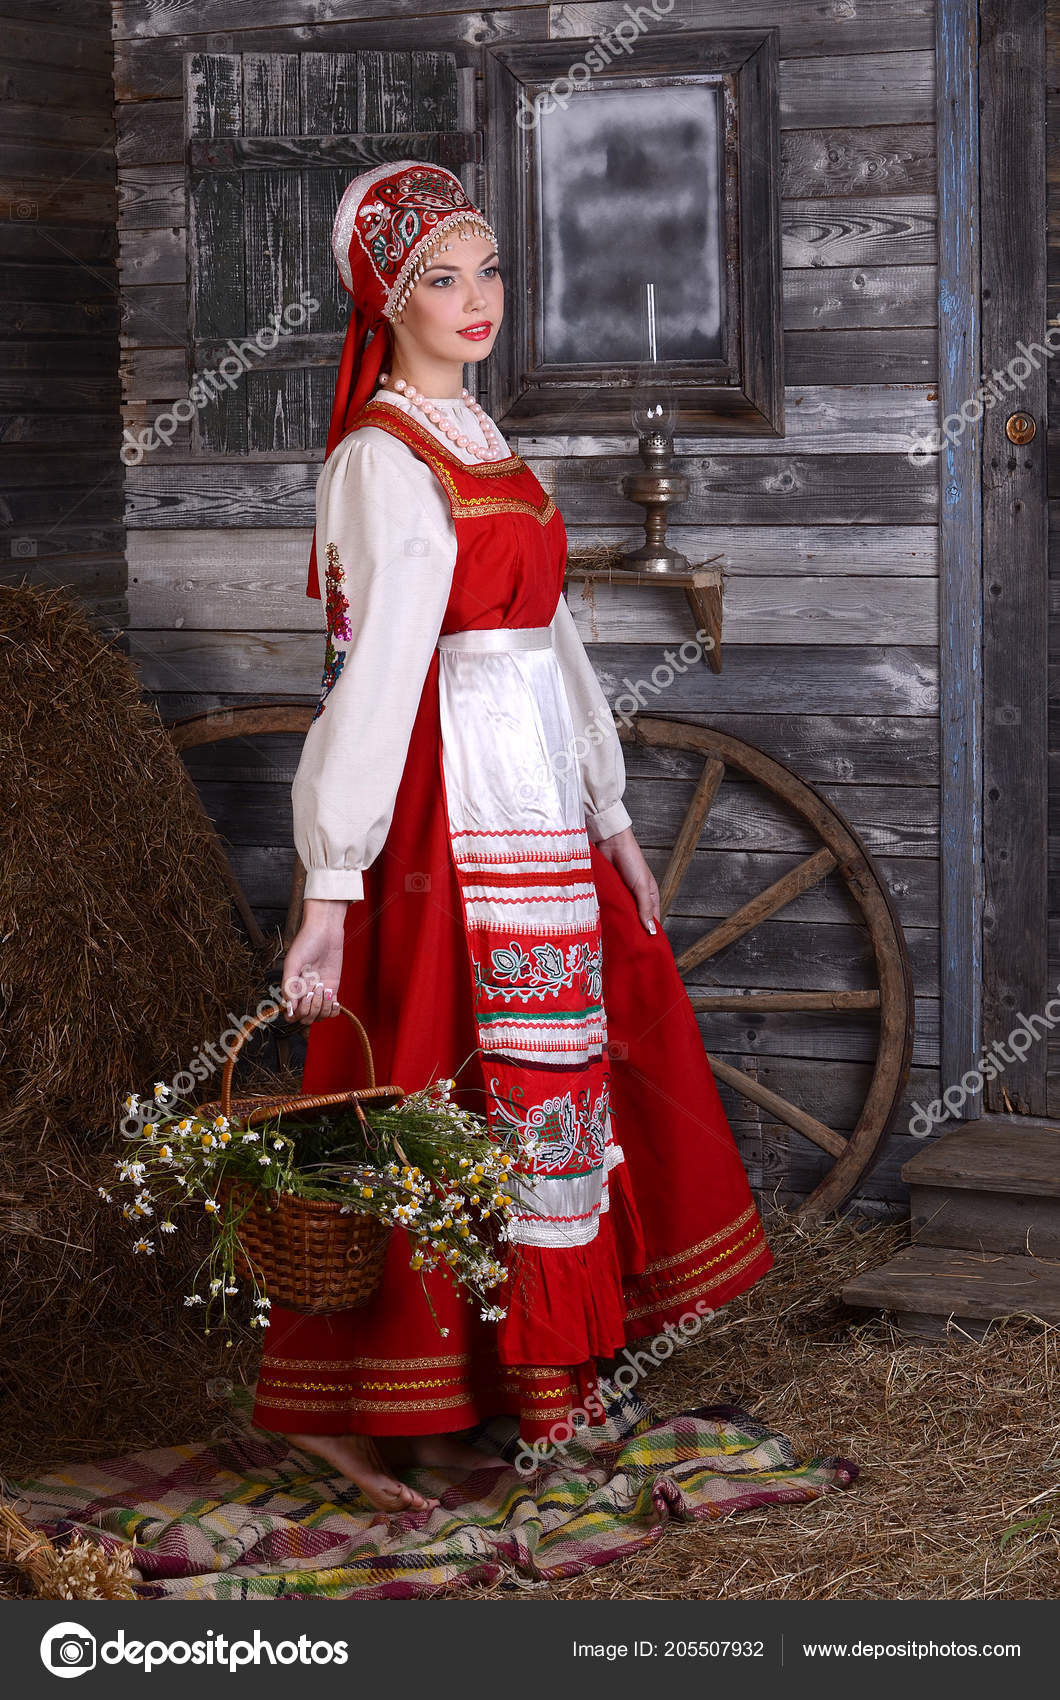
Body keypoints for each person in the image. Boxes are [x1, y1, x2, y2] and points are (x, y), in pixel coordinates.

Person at [252, 161, 774, 1514]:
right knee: (456, 1087)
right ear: (388, 294)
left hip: (536, 780)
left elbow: (555, 641)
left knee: (551, 1089)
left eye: (487, 272)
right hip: (452, 804)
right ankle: (453, 1397)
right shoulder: (382, 456)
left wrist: (610, 811)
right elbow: (371, 678)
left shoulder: (480, 434)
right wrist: (334, 877)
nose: (475, 299)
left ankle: (531, 1382)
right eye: (441, 276)